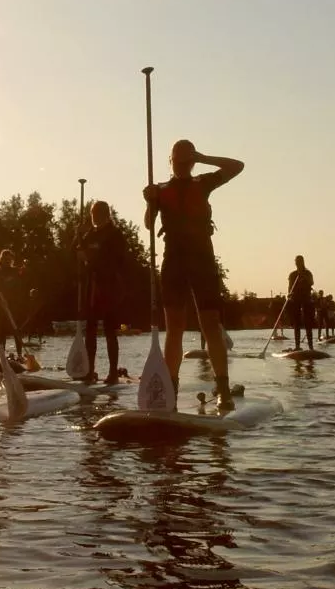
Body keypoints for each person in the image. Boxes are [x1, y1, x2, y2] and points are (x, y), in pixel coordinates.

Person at [143, 139, 244, 401]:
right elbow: (148, 225)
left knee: (210, 324)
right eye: (178, 161)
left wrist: (203, 157)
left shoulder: (203, 183)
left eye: (188, 161)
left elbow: (237, 166)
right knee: (174, 327)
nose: (183, 165)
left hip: (202, 261)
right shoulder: (161, 190)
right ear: (171, 161)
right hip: (174, 262)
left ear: (192, 161)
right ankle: (171, 389)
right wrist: (149, 202)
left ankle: (222, 388)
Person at [76, 200, 128, 383]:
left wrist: (89, 258)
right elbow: (78, 253)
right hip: (92, 287)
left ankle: (113, 372)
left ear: (105, 214)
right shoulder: (90, 234)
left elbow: (114, 260)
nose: (94, 217)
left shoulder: (115, 235)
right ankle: (89, 371)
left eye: (97, 213)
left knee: (109, 330)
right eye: (92, 213)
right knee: (90, 329)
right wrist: (79, 237)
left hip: (110, 286)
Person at [286, 257, 315, 350]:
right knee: (297, 323)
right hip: (296, 300)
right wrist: (289, 294)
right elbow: (290, 287)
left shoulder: (308, 273)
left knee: (308, 323)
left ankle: (311, 346)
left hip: (306, 299)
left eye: (299, 262)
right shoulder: (292, 274)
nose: (298, 263)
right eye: (296, 262)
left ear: (303, 262)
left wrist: (303, 276)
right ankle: (297, 346)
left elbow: (311, 282)